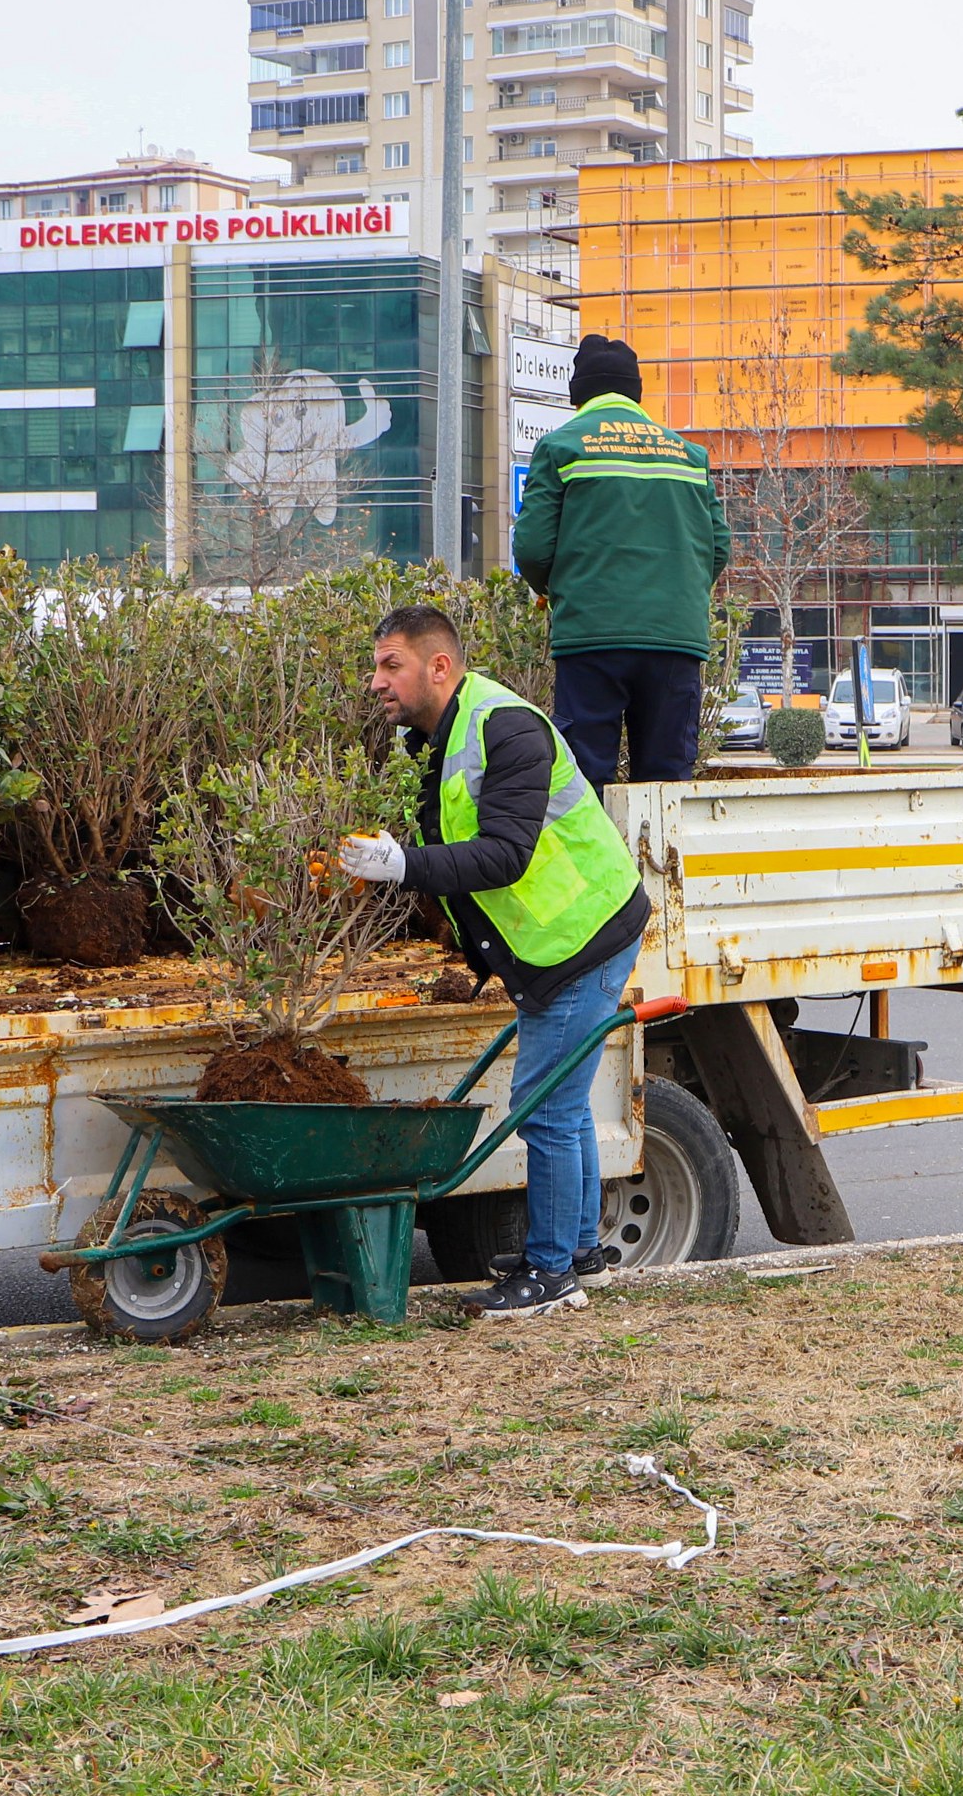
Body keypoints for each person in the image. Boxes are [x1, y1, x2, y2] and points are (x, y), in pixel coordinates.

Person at [337, 604, 652, 1320]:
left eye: (391, 665)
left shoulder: (504, 728)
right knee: (563, 1104)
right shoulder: (443, 734)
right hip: (555, 940)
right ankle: (577, 1253)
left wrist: (402, 865)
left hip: (583, 935)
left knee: (544, 1107)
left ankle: (550, 1275)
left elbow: (506, 855)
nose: (377, 681)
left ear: (438, 666)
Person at [512, 333, 732, 789]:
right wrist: (676, 594)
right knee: (666, 783)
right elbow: (718, 548)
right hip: (675, 640)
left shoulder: (561, 447)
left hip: (592, 637)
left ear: (577, 395)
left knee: (586, 781)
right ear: (636, 393)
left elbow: (532, 548)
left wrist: (558, 591)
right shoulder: (690, 455)